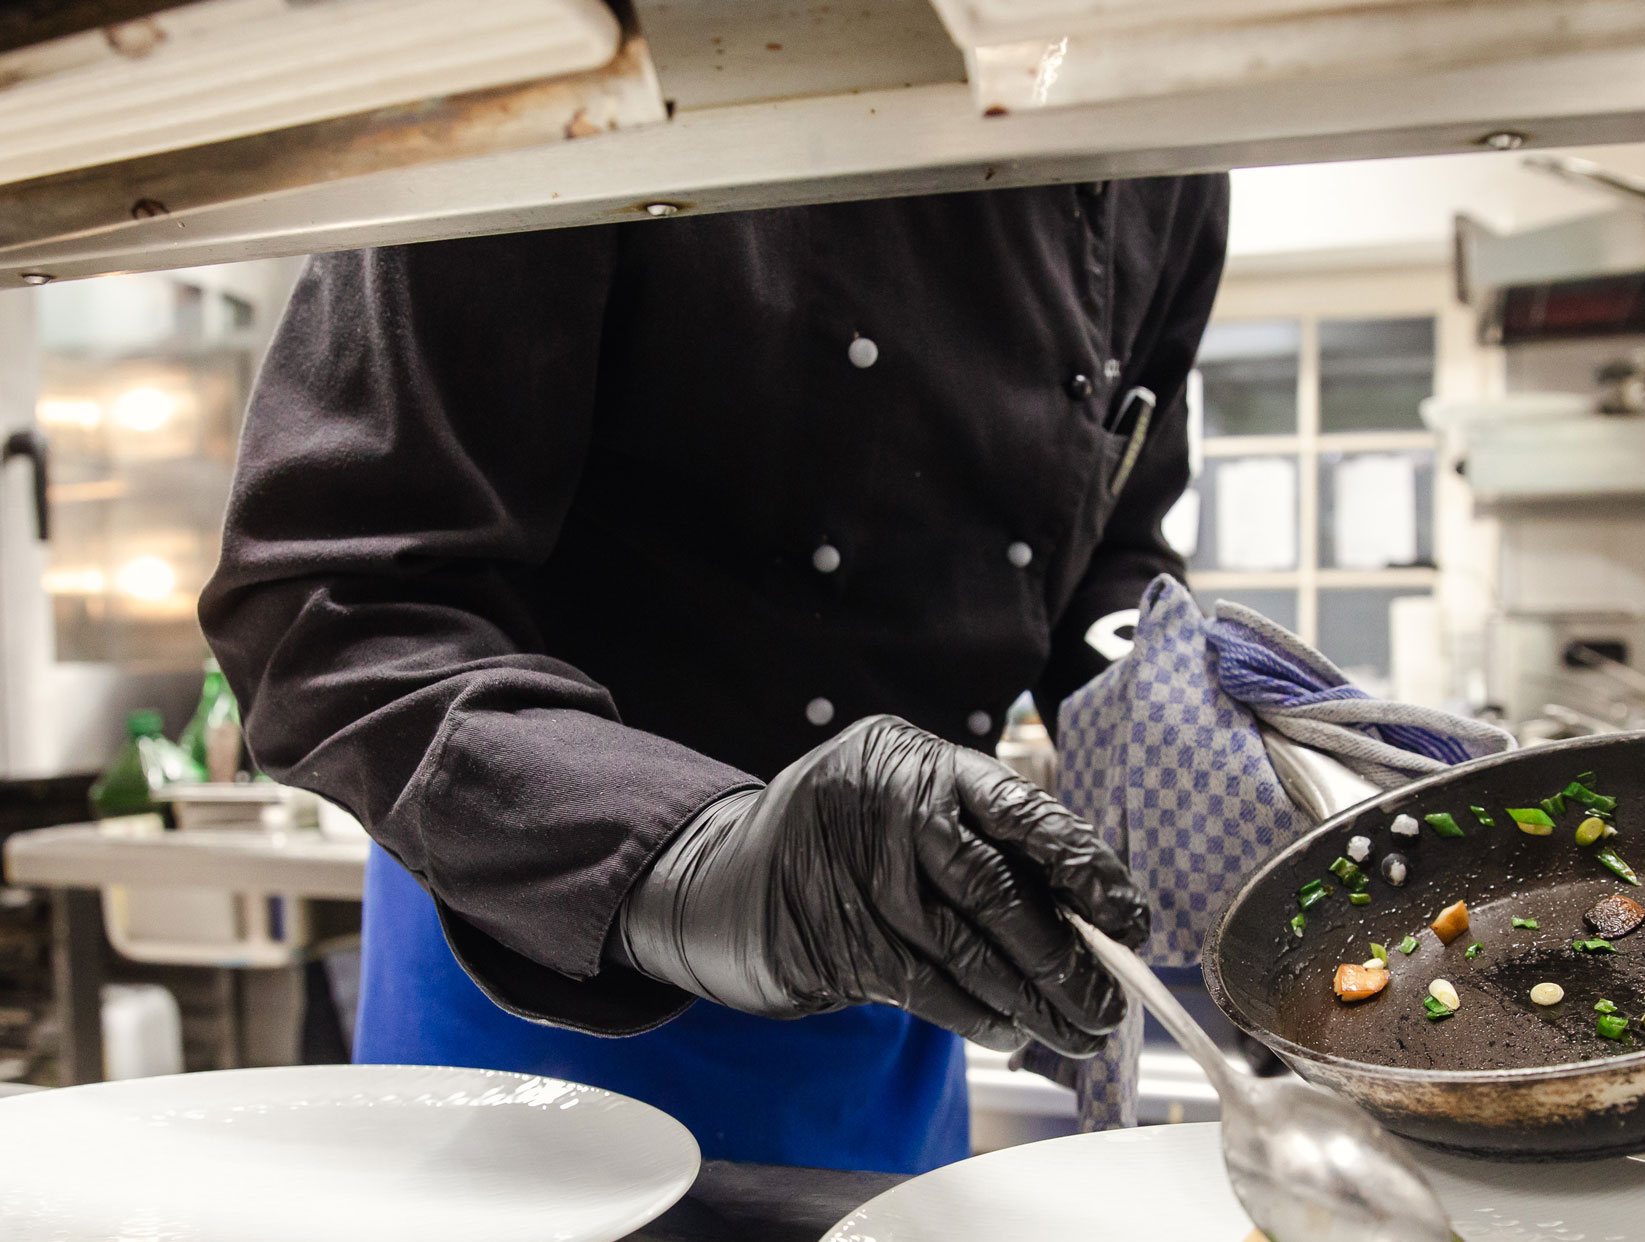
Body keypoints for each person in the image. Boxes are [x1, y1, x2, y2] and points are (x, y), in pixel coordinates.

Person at [201, 177, 1229, 1172]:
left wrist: (1178, 695)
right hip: (541, 961)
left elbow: (1110, 543)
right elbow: (333, 594)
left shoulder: (1159, 155)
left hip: (903, 997)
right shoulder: (589, 55)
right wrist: (693, 859)